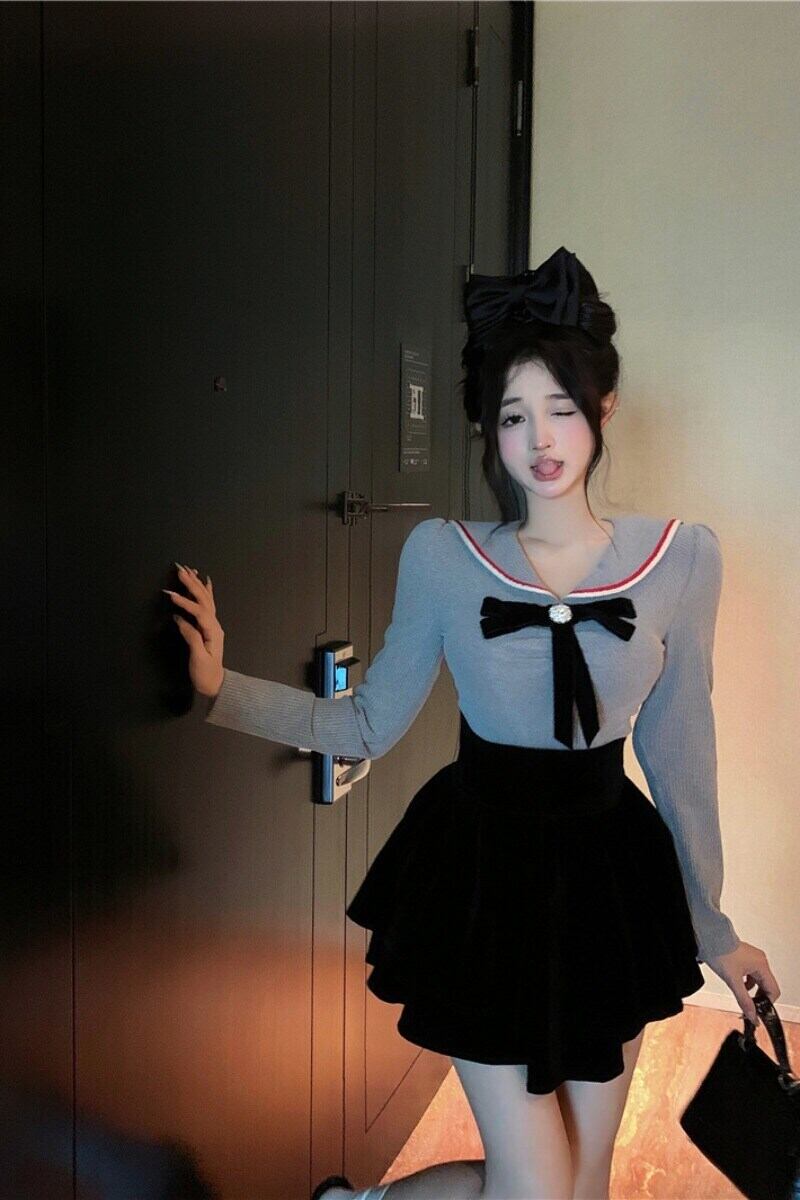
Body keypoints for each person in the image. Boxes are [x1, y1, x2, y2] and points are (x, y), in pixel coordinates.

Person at [168, 247, 780, 1200]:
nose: (539, 438)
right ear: (489, 430)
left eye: (560, 408)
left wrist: (717, 932)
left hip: (610, 882)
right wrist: (222, 689)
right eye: (512, 415)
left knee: (581, 1185)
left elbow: (679, 757)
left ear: (603, 408)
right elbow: (368, 724)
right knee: (535, 1187)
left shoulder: (681, 559)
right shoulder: (444, 558)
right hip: (481, 878)